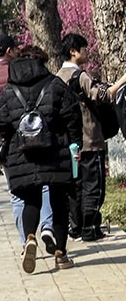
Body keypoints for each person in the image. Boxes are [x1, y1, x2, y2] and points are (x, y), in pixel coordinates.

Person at [0, 45, 82, 272]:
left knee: (31, 201)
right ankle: (61, 255)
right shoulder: (55, 84)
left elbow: (2, 124)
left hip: (23, 154)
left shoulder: (9, 90)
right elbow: (72, 116)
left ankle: (30, 238)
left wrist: (11, 141)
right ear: (41, 62)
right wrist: (76, 144)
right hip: (56, 152)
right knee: (58, 202)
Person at [0, 33, 54, 252]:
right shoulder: (21, 71)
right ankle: (47, 228)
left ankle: (25, 240)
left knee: (16, 192)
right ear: (9, 51)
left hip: (7, 140)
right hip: (35, 134)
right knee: (45, 184)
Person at [55, 33, 126, 241]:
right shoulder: (80, 76)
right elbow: (103, 95)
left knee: (77, 187)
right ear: (73, 51)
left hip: (71, 142)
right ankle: (91, 229)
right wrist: (122, 80)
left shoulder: (58, 77)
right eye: (84, 49)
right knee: (94, 186)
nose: (87, 52)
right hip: (91, 138)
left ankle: (77, 228)